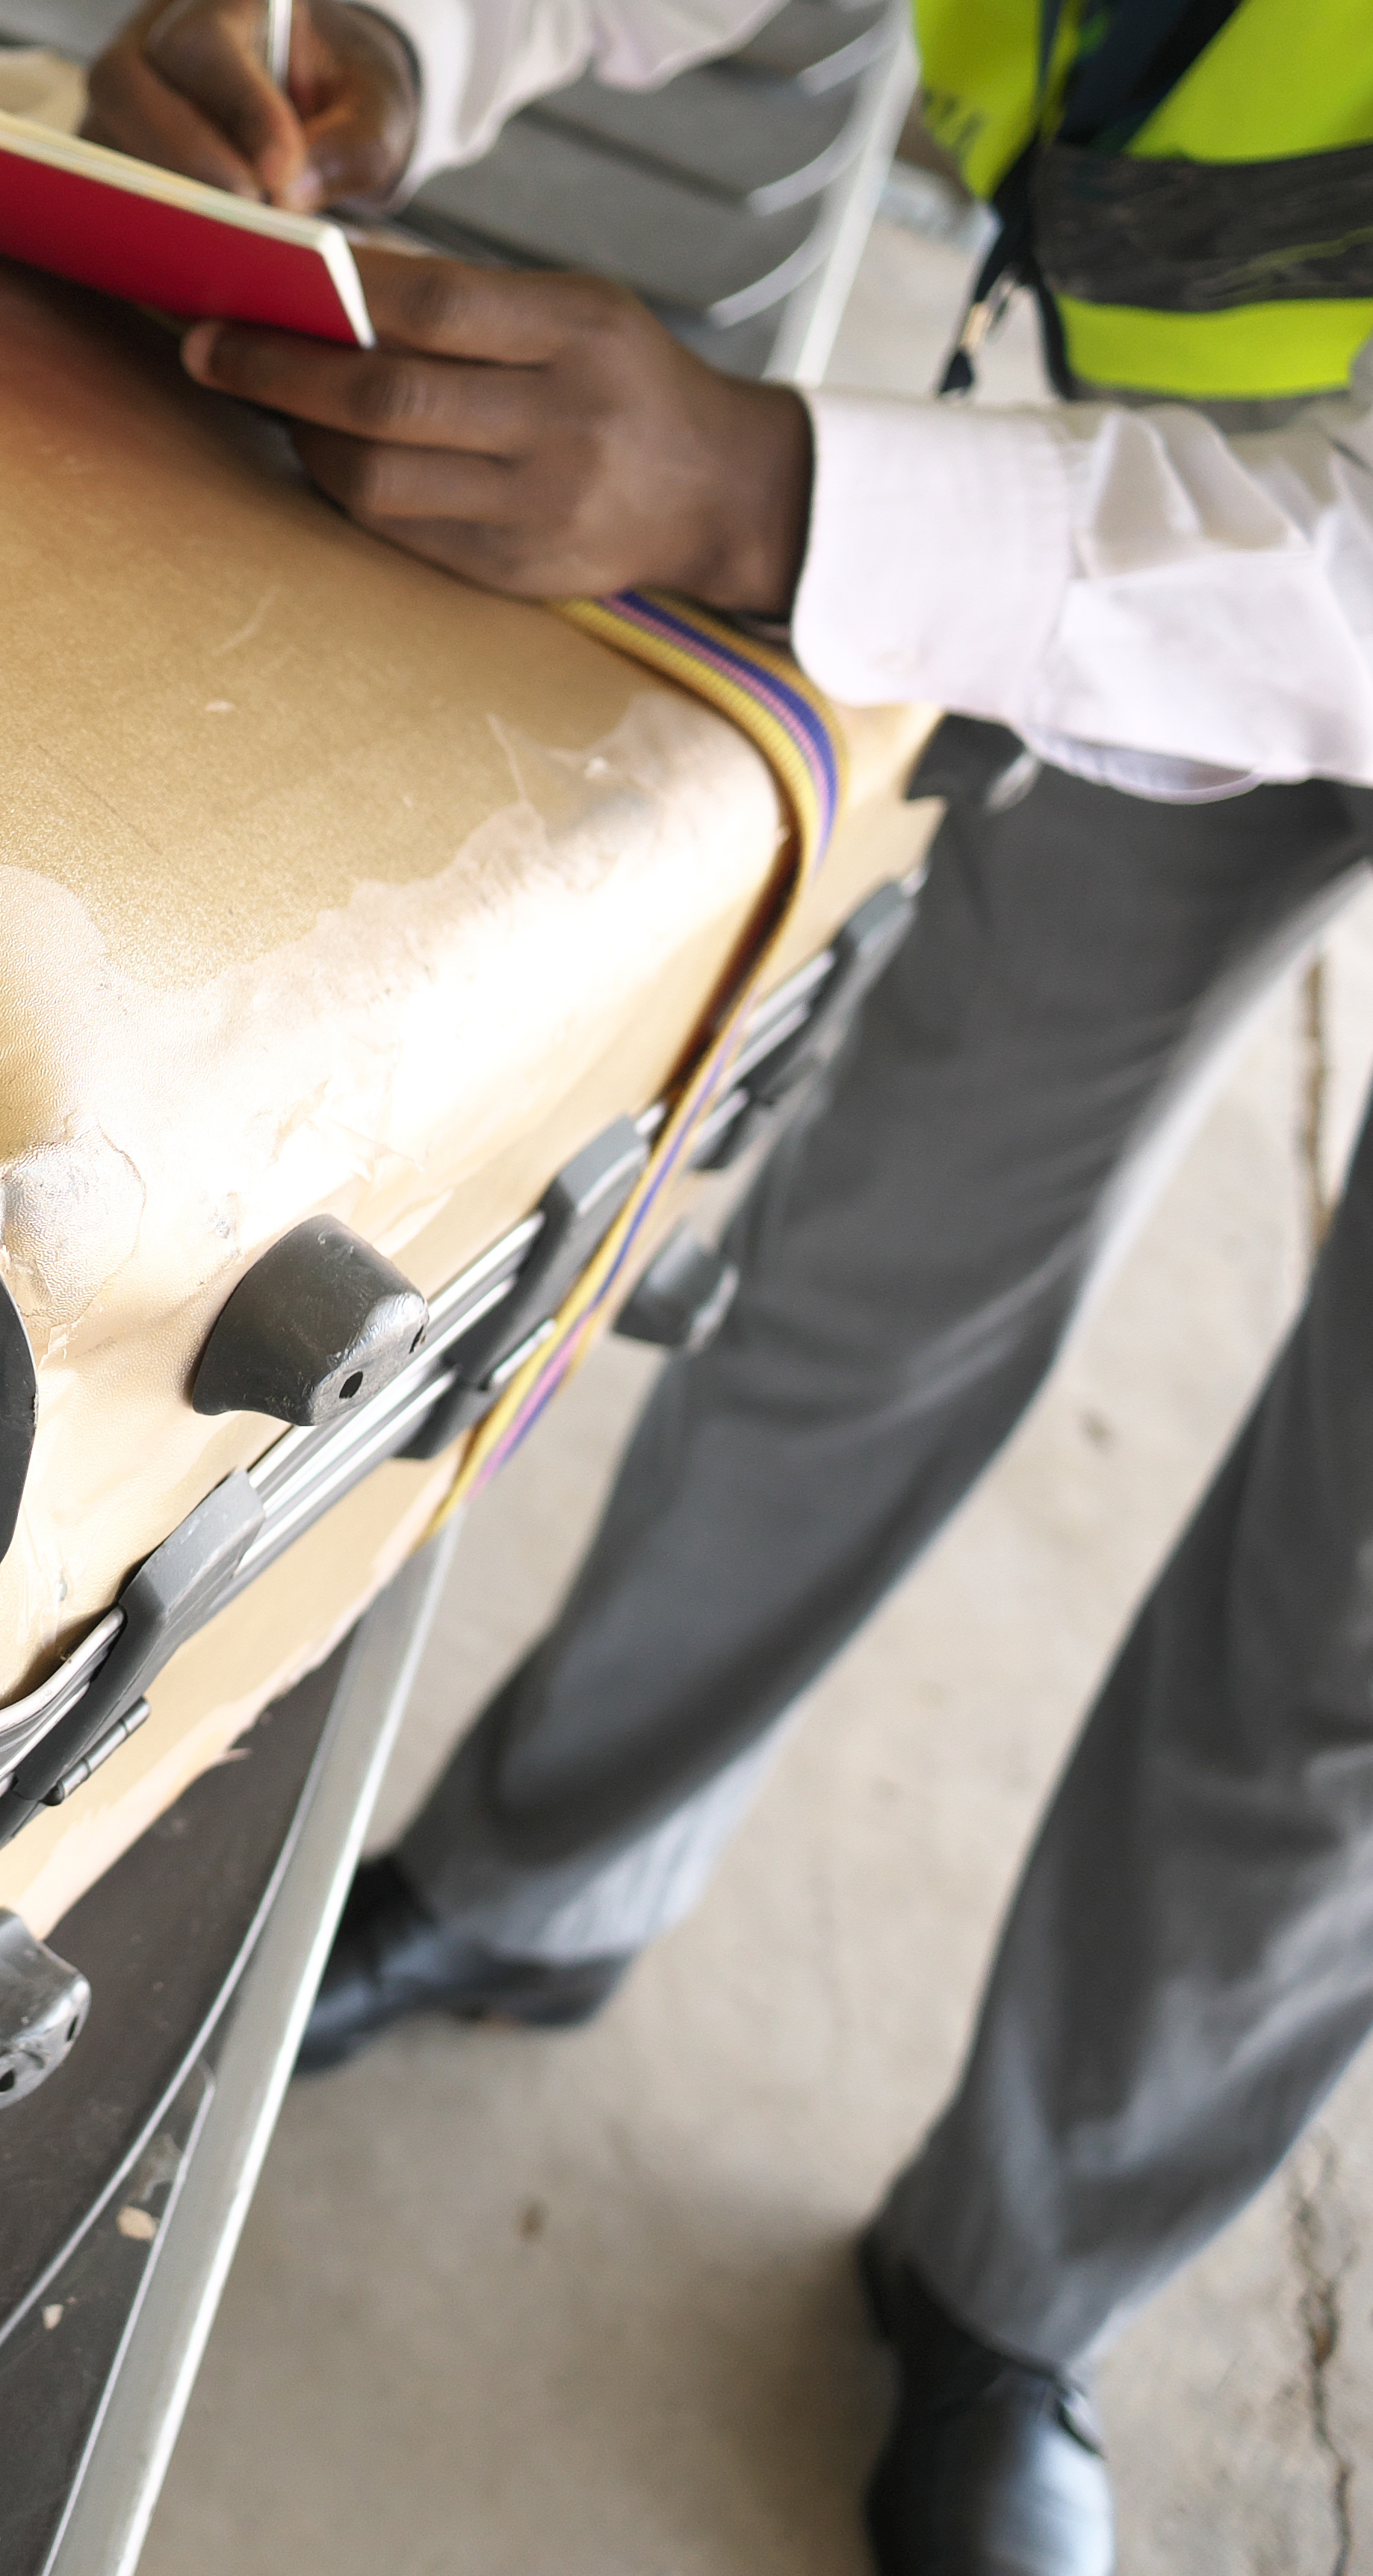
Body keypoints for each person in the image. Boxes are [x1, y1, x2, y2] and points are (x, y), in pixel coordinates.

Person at [80, 2, 1373, 2569]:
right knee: (874, 1262)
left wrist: (785, 490)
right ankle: (537, 1884)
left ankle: (1020, 2286)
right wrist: (383, 44)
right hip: (1208, 465)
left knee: (1341, 1656)